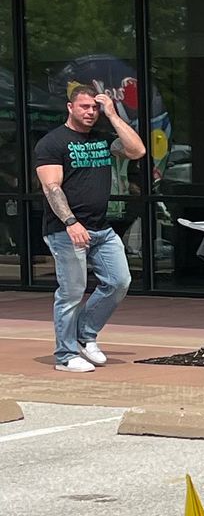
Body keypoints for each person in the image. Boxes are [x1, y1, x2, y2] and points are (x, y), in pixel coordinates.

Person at [34, 79, 146, 370]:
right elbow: (51, 188)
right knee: (71, 292)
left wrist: (112, 114)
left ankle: (84, 336)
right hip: (66, 230)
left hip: (101, 228)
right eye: (84, 106)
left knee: (119, 281)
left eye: (95, 108)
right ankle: (65, 356)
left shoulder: (101, 137)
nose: (90, 112)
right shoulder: (52, 143)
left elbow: (137, 151)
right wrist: (71, 222)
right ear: (70, 107)